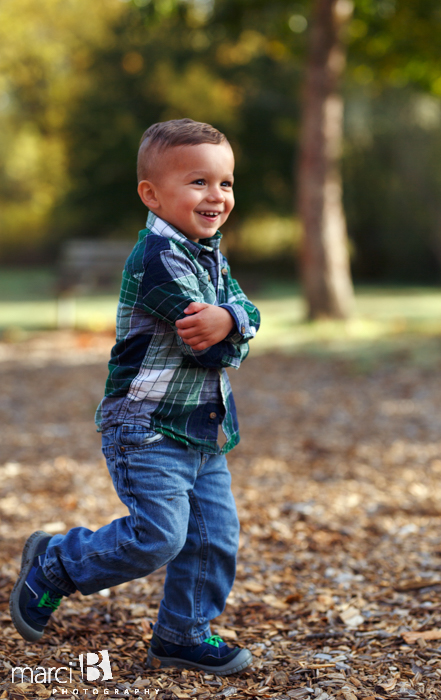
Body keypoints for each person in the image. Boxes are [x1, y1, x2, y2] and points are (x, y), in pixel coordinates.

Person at [10, 119, 260, 674]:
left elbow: (248, 313)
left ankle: (181, 635)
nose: (216, 195)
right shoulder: (159, 259)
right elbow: (211, 349)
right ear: (152, 193)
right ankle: (55, 564)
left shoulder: (209, 254)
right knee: (159, 536)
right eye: (199, 182)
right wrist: (232, 325)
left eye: (227, 182)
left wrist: (233, 318)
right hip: (146, 428)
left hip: (201, 428)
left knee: (214, 538)